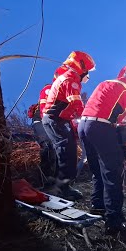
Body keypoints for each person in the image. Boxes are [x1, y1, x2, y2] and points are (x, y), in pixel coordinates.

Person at [78, 62, 126, 235]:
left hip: (84, 126)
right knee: (113, 172)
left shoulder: (105, 84)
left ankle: (97, 205)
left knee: (98, 170)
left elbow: (109, 113)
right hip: (101, 127)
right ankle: (114, 220)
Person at [41, 50, 95, 201]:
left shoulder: (66, 78)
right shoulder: (71, 80)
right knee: (67, 151)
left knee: (63, 151)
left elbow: (70, 107)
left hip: (55, 119)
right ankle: (62, 188)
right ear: (81, 67)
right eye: (88, 71)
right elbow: (76, 105)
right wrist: (86, 119)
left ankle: (57, 185)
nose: (88, 76)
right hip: (55, 119)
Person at [27, 83, 57, 185]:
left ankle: (54, 178)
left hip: (48, 123)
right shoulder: (46, 95)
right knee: (47, 145)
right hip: (39, 122)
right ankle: (44, 179)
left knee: (55, 148)